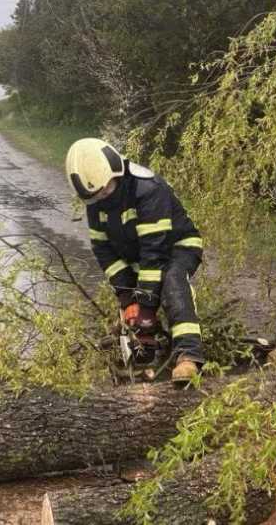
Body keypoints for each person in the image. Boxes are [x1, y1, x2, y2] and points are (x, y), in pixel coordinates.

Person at [65, 138, 204, 383]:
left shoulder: (148, 189)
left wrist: (147, 306)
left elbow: (156, 249)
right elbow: (103, 249)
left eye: (107, 190)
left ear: (116, 172)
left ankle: (189, 356)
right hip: (139, 256)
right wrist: (127, 296)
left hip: (175, 248)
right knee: (131, 309)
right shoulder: (96, 202)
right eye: (97, 196)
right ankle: (145, 355)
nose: (104, 197)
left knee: (172, 282)